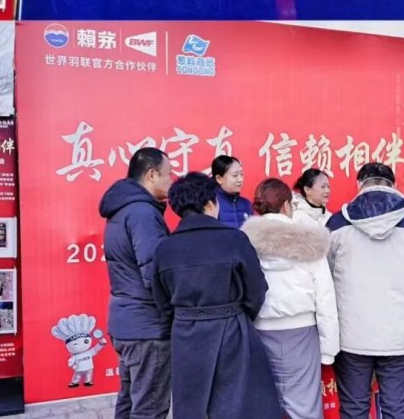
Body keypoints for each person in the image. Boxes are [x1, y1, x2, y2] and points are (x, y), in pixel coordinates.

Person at [151, 171, 281, 419]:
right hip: (232, 331)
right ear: (211, 203)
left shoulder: (164, 248)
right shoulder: (234, 239)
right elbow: (256, 289)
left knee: (194, 407)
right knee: (240, 405)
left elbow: (162, 302)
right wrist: (240, 316)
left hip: (185, 335)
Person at [327, 162, 404, 419]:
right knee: (398, 409)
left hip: (352, 334)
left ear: (359, 185)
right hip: (402, 335)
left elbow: (327, 277)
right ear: (393, 185)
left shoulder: (337, 223)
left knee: (354, 408)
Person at [243, 178, 339, 419]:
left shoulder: (244, 242)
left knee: (264, 405)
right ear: (286, 205)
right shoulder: (310, 242)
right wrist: (328, 349)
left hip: (260, 331)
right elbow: (325, 297)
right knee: (305, 407)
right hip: (301, 331)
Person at [98, 147, 172, 419]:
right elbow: (155, 273)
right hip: (147, 328)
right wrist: (172, 313)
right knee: (149, 409)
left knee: (130, 402)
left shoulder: (123, 209)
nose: (171, 180)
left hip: (127, 322)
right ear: (152, 175)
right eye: (168, 174)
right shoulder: (142, 213)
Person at [212, 155, 253, 227]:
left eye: (242, 174)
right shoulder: (212, 203)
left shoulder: (246, 204)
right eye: (235, 175)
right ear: (219, 179)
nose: (240, 179)